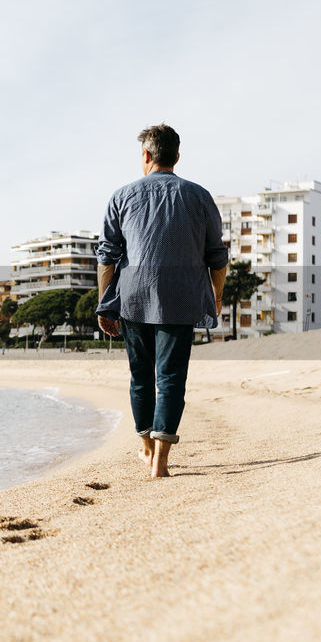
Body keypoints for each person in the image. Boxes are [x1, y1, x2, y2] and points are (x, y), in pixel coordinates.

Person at [96, 124, 228, 477]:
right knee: (171, 377)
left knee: (141, 377)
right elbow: (218, 255)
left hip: (133, 296)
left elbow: (108, 255)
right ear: (177, 157)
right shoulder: (199, 196)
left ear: (146, 156)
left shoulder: (122, 196)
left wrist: (104, 303)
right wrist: (215, 296)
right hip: (181, 298)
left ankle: (145, 447)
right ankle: (161, 462)